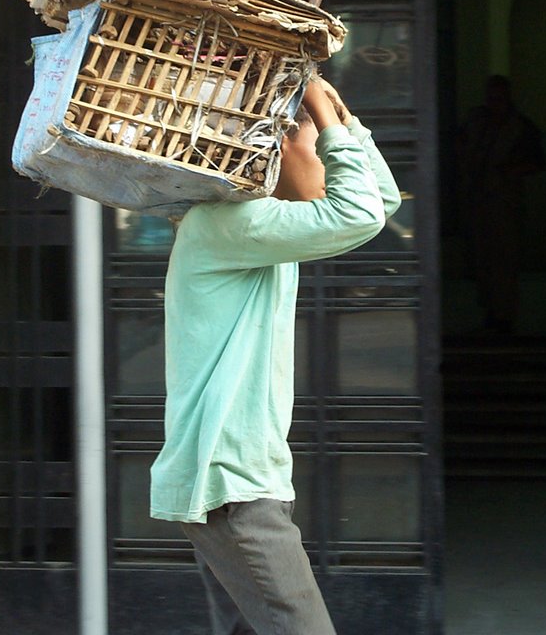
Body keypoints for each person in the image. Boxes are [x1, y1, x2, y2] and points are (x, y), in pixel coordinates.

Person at [150, 76, 401, 635]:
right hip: (235, 491)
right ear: (278, 147)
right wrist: (319, 112)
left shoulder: (262, 224)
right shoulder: (230, 222)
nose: (331, 164)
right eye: (320, 150)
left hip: (243, 486)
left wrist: (337, 113)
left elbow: (377, 203)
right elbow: (358, 212)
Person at [457, 75, 546, 334]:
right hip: (478, 200)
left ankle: (504, 315)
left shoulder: (520, 127)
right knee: (482, 260)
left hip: (505, 204)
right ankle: (491, 311)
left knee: (504, 262)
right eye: (491, 97)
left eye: (498, 98)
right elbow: (460, 146)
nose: (494, 103)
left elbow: (538, 162)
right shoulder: (477, 122)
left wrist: (511, 172)